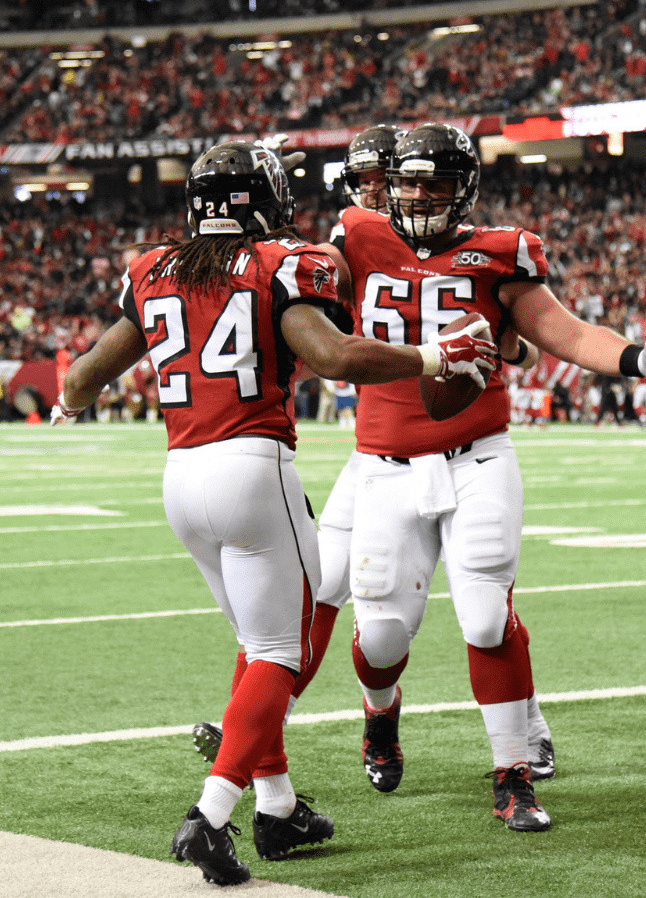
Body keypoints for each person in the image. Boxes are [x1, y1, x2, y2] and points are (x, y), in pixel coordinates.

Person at [51, 140, 497, 885]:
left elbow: (86, 374)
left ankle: (278, 806)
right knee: (279, 655)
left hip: (180, 477)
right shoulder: (280, 263)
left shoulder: (154, 267)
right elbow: (337, 357)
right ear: (261, 199)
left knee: (256, 646)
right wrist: (433, 357)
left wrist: (68, 403)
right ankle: (212, 815)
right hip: (253, 467)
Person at [320, 122, 646, 831]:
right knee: (382, 638)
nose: (421, 195)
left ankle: (512, 774)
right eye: (410, 181)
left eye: (437, 182)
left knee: (487, 617)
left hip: (478, 456)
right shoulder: (355, 238)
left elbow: (569, 332)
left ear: (466, 188)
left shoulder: (498, 253)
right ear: (389, 185)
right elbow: (306, 314)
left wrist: (639, 358)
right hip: (385, 466)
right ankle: (380, 716)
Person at [189, 124, 554, 783]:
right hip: (378, 453)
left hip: (448, 444)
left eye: (377, 179)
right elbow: (293, 304)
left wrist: (502, 339)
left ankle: (525, 728)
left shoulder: (446, 243)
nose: (368, 194)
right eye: (359, 182)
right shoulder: (355, 238)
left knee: (476, 606)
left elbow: (506, 326)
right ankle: (285, 722)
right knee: (331, 594)